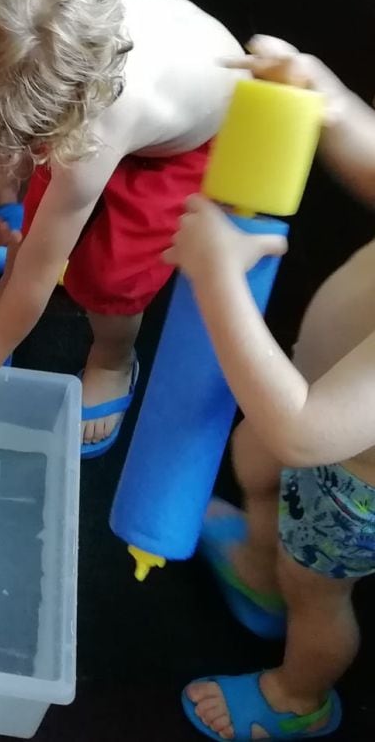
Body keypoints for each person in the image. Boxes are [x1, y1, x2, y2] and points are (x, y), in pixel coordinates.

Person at [0, 0, 246, 456]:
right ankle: (3, 310)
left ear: (53, 127)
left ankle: (113, 359)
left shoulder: (95, 129)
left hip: (189, 144)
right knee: (33, 215)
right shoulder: (46, 13)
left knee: (112, 273)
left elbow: (42, 270)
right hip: (114, 94)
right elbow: (12, 103)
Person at [168, 36, 375, 740]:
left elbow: (305, 430)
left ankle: (299, 695)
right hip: (318, 399)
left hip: (349, 484)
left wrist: (219, 273)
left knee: (314, 590)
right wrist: (330, 103)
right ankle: (258, 568)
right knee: (255, 459)